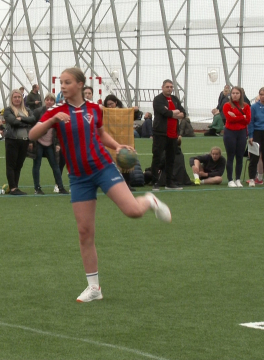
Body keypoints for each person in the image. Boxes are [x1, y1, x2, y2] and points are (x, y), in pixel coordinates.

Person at [29, 67, 172, 303]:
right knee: (85, 233)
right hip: (78, 178)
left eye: (67, 82)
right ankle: (94, 287)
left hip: (103, 168)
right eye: (61, 83)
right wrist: (53, 120)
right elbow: (33, 135)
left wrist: (117, 147)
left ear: (80, 85)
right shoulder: (56, 111)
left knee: (133, 212)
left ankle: (149, 200)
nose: (62, 86)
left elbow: (100, 134)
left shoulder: (94, 109)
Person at [151, 79, 186, 190]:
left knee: (171, 159)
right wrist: (174, 113)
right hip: (160, 133)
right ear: (162, 87)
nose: (169, 89)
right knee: (157, 157)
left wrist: (173, 113)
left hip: (173, 134)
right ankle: (155, 182)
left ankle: (169, 183)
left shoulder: (175, 99)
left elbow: (183, 113)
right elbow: (165, 112)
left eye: (171, 87)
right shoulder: (158, 100)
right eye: (167, 87)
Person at [32, 93, 68, 195]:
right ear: (45, 101)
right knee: (37, 165)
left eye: (51, 100)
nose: (49, 102)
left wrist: (57, 143)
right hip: (38, 142)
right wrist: (31, 141)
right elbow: (32, 126)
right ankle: (37, 188)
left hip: (50, 144)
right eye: (47, 100)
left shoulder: (57, 112)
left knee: (55, 166)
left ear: (54, 102)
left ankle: (60, 187)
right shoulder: (38, 111)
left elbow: (58, 130)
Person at [4, 89, 36, 195]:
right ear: (11, 99)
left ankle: (16, 187)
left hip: (24, 141)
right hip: (12, 140)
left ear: (22, 98)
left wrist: (21, 119)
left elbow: (33, 119)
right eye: (15, 97)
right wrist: (25, 122)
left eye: (19, 97)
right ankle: (12, 188)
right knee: (11, 165)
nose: (17, 99)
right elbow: (13, 122)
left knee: (19, 165)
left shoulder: (27, 109)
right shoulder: (8, 110)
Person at [223, 86, 251, 188]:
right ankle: (230, 179)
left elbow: (247, 120)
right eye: (233, 93)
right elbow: (229, 119)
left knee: (239, 157)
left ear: (241, 95)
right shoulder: (227, 105)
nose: (235, 95)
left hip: (241, 133)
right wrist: (241, 117)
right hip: (230, 133)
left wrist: (236, 116)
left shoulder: (246, 106)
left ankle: (238, 179)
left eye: (237, 93)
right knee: (230, 156)